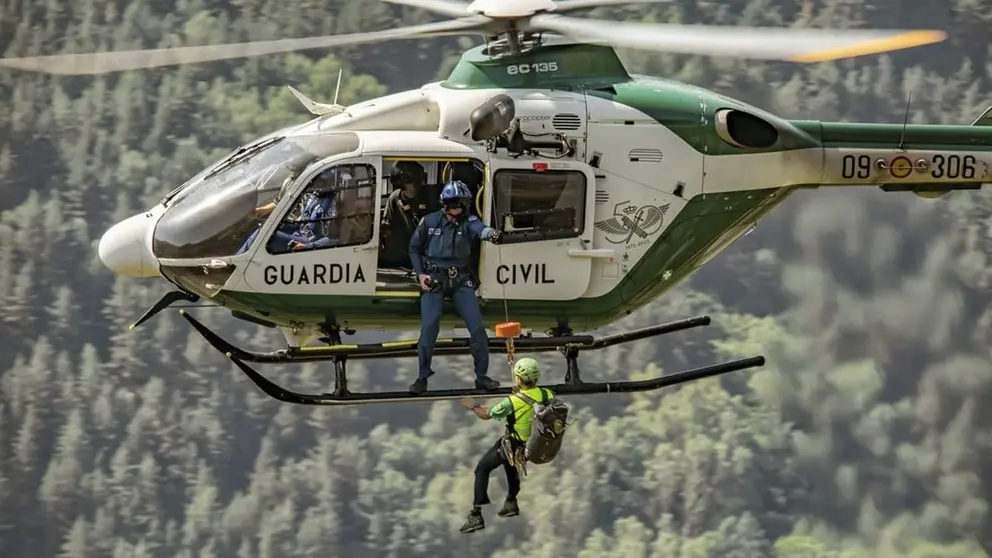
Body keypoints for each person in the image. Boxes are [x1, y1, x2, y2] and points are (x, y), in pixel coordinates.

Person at [408, 180, 502, 395]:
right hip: (434, 280)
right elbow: (413, 249)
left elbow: (481, 230)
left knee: (478, 328)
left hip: (460, 281)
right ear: (445, 204)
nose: (457, 208)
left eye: (461, 204)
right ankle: (422, 376)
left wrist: (493, 234)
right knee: (429, 327)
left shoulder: (469, 221)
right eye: (453, 204)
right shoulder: (429, 222)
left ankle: (481, 376)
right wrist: (420, 274)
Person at [457, 357, 551, 533]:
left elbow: (486, 414)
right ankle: (511, 502)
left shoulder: (513, 402)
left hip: (513, 443)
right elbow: (532, 401)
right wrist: (520, 393)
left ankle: (476, 514)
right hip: (531, 444)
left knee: (482, 469)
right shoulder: (546, 394)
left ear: (518, 378)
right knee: (510, 466)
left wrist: (472, 406)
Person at [380, 161, 433, 268]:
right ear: (400, 182)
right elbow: (387, 226)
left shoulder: (430, 196)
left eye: (418, 181)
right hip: (405, 252)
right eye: (412, 182)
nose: (417, 185)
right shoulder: (395, 198)